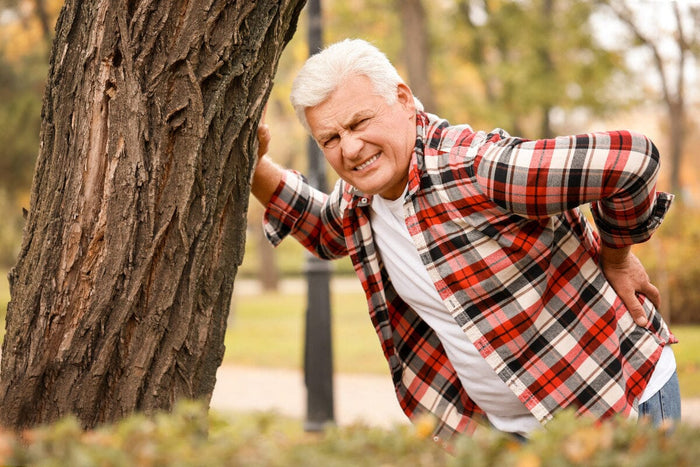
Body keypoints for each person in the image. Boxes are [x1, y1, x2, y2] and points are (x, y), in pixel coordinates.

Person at [251, 38, 680, 442]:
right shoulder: (362, 198)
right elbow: (327, 230)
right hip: (505, 434)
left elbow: (631, 161)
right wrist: (255, 167)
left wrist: (617, 255)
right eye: (330, 138)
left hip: (614, 401)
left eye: (359, 122)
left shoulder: (476, 168)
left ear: (402, 99)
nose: (350, 148)